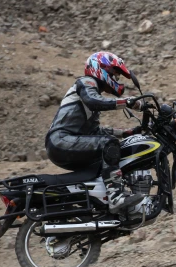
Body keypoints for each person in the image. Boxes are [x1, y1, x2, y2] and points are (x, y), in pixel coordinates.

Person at [45, 51, 146, 212]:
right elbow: (93, 101)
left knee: (108, 149)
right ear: (101, 68)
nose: (116, 78)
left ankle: (98, 204)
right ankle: (116, 197)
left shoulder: (91, 95)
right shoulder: (86, 82)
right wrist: (126, 102)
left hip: (65, 141)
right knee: (109, 144)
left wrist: (127, 133)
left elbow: (96, 131)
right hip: (61, 140)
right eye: (114, 74)